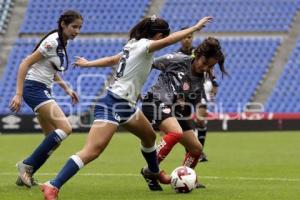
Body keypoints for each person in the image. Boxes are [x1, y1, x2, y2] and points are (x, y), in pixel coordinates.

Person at [40, 15, 213, 199]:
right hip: (112, 103)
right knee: (92, 151)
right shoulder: (145, 45)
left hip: (127, 106)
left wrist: (88, 63)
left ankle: (154, 172)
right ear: (159, 36)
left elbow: (112, 60)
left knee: (149, 137)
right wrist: (194, 27)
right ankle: (53, 184)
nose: (164, 42)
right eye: (163, 38)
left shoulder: (133, 44)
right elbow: (171, 40)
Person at [9, 10, 83, 187]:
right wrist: (18, 94)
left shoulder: (61, 43)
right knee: (65, 128)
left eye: (80, 28)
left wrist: (66, 88)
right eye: (74, 27)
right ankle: (26, 165)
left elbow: (50, 68)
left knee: (52, 138)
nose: (77, 31)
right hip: (34, 89)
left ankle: (26, 175)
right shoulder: (52, 42)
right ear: (63, 25)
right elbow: (25, 63)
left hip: (42, 88)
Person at [141, 37, 226, 187]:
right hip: (154, 101)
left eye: (210, 67)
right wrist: (136, 86)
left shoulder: (199, 81)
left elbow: (189, 105)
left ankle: (186, 177)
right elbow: (148, 63)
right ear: (198, 55)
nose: (205, 68)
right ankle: (151, 170)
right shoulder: (177, 59)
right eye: (204, 63)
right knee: (175, 133)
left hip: (174, 111)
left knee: (196, 148)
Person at [177, 29, 219, 162]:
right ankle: (191, 151)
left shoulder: (199, 53)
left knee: (201, 119)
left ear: (192, 38)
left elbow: (210, 68)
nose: (187, 39)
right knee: (187, 122)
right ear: (180, 39)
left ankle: (200, 151)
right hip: (184, 91)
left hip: (199, 89)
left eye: (190, 37)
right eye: (184, 37)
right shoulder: (177, 55)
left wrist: (214, 83)